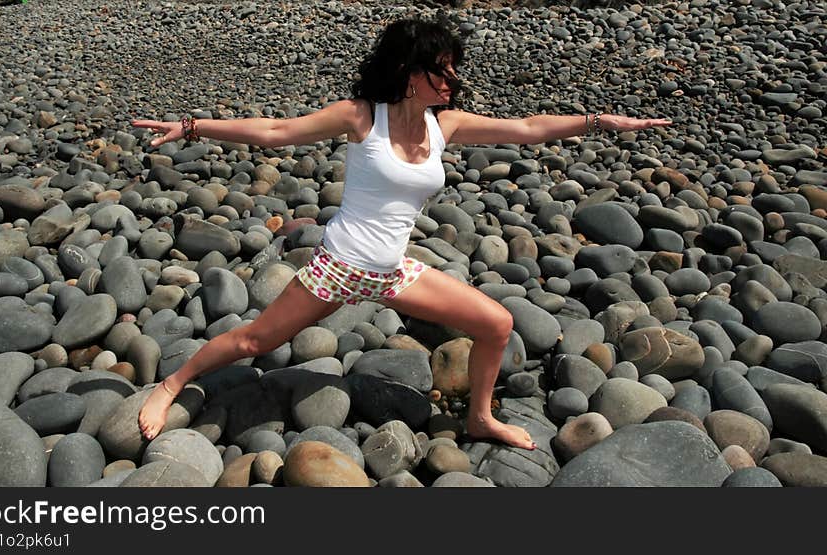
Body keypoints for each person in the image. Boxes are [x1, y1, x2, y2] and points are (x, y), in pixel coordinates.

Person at [132, 18, 671, 449]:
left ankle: (480, 419)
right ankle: (171, 384)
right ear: (410, 72)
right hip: (338, 267)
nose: (452, 80)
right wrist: (192, 127)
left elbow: (528, 128)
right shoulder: (363, 116)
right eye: (442, 70)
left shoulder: (447, 124)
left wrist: (601, 122)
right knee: (253, 341)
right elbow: (276, 133)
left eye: (454, 70)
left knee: (498, 323)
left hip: (393, 272)